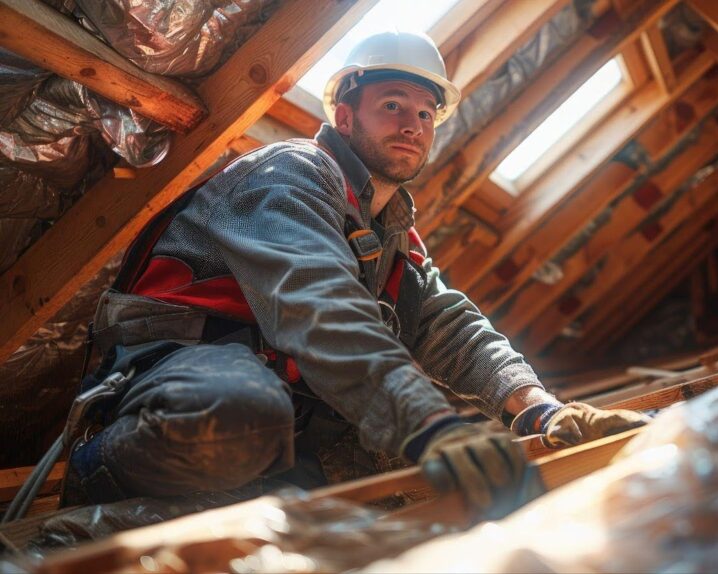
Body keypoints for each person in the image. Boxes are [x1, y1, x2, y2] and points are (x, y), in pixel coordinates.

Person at [63, 31, 648, 512]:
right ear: (344, 116)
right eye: (393, 105)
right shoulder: (291, 173)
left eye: (425, 113)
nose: (413, 124)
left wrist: (539, 407)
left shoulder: (393, 231)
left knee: (381, 485)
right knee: (244, 415)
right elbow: (317, 304)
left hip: (280, 414)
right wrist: (426, 424)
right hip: (176, 380)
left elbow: (451, 326)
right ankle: (97, 469)